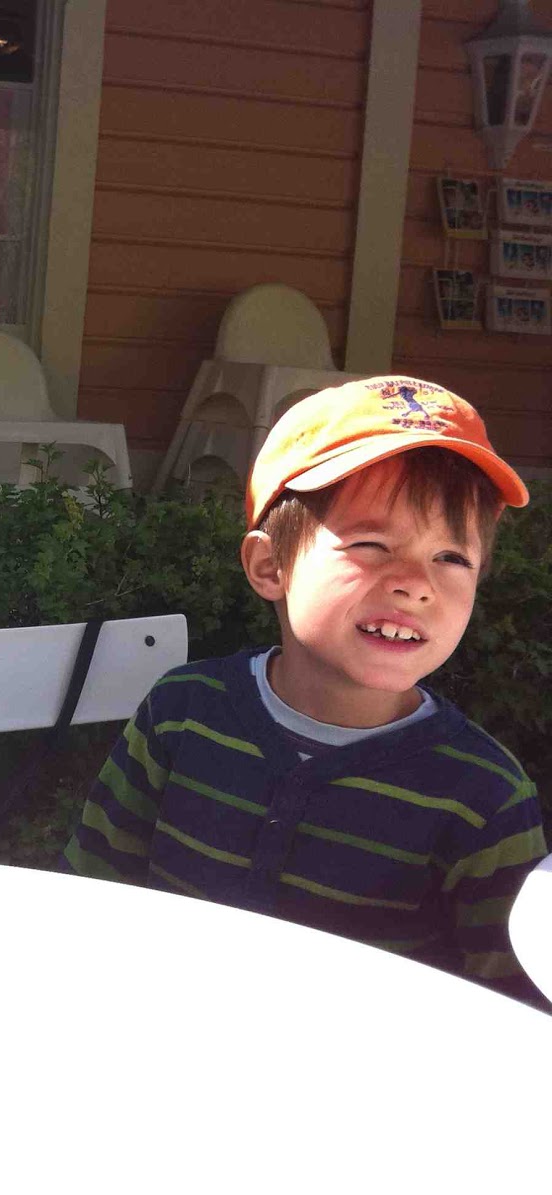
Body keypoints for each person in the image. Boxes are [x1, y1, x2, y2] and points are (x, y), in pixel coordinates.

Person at [62, 375, 548, 1004]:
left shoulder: (484, 796)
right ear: (270, 566)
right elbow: (89, 896)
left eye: (452, 558)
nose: (415, 583)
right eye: (372, 544)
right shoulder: (182, 713)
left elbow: (515, 1009)